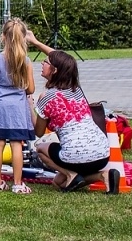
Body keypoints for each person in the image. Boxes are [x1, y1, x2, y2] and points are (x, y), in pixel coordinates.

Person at [26, 35, 110, 191]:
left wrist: (30, 105)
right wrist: (36, 42)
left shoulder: (46, 97)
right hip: (103, 154)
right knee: (58, 183)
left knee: (41, 149)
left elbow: (38, 132)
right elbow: (66, 62)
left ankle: (70, 174)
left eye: (46, 62)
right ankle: (103, 175)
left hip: (76, 156)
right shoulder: (75, 88)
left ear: (55, 70)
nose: (42, 63)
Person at [0, 18, 37, 194]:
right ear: (23, 38)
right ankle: (18, 183)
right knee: (17, 144)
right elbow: (31, 88)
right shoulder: (26, 61)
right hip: (18, 107)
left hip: (0, 106)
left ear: (3, 37)